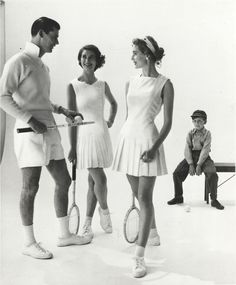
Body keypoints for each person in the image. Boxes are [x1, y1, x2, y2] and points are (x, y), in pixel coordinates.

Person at [0, 17, 92, 260]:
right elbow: (2, 97)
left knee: (64, 181)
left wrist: (62, 110)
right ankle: (29, 243)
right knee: (30, 187)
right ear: (41, 34)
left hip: (49, 129)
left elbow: (39, 100)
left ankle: (64, 235)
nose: (57, 42)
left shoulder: (42, 65)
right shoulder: (18, 61)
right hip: (28, 133)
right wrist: (30, 120)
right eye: (54, 36)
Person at [112, 36, 174, 278]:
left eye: (135, 53)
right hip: (128, 140)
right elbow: (129, 116)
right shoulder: (130, 81)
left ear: (147, 55)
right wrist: (125, 139)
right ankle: (154, 232)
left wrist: (155, 147)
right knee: (138, 195)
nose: (132, 57)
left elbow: (167, 123)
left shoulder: (165, 84)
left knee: (144, 197)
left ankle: (138, 257)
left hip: (149, 142)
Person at [67, 44, 117, 240]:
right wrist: (72, 147)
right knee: (100, 180)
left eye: (91, 58)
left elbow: (114, 103)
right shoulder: (73, 85)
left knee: (92, 182)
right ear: (80, 59)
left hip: (101, 135)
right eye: (84, 57)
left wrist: (110, 120)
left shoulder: (102, 84)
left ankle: (87, 223)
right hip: (84, 138)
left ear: (97, 61)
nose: (87, 60)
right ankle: (104, 211)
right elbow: (71, 119)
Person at [167, 110, 224, 210]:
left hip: (204, 157)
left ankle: (214, 200)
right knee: (176, 173)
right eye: (195, 121)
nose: (197, 123)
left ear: (204, 122)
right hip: (191, 156)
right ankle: (178, 196)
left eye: (200, 121)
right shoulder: (190, 133)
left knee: (212, 174)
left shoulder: (207, 134)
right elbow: (187, 149)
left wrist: (198, 165)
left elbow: (205, 150)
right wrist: (190, 164)